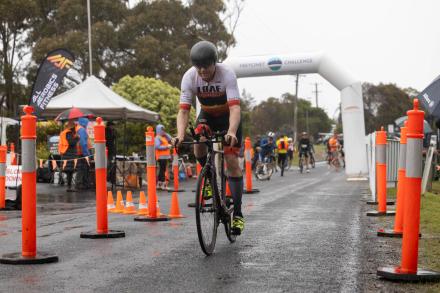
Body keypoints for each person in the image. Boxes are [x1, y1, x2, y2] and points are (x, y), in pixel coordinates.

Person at [174, 40, 244, 235]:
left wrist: (231, 131)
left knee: (231, 160)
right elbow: (183, 111)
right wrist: (180, 135)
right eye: (198, 66)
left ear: (215, 62)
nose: (202, 70)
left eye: (206, 66)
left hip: (228, 118)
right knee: (199, 144)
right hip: (207, 116)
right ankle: (208, 179)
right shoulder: (189, 77)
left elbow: (235, 107)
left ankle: (237, 214)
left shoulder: (227, 74)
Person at [58, 120, 79, 192]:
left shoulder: (64, 133)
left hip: (66, 153)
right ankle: (69, 187)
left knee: (69, 171)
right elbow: (71, 142)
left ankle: (69, 186)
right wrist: (77, 138)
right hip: (69, 154)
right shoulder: (69, 133)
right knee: (70, 171)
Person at [155, 124, 172, 190]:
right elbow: (157, 146)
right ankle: (163, 185)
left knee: (162, 170)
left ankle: (159, 184)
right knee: (162, 170)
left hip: (165, 157)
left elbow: (170, 138)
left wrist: (165, 134)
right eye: (162, 129)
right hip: (161, 157)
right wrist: (167, 147)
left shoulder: (163, 137)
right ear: (159, 130)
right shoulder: (157, 138)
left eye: (163, 129)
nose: (163, 131)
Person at [76, 117, 91, 190]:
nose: (87, 124)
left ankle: (81, 184)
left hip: (80, 152)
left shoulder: (78, 128)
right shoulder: (81, 129)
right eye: (87, 123)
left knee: (81, 168)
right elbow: (83, 142)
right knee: (83, 168)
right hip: (82, 152)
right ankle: (82, 184)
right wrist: (86, 153)